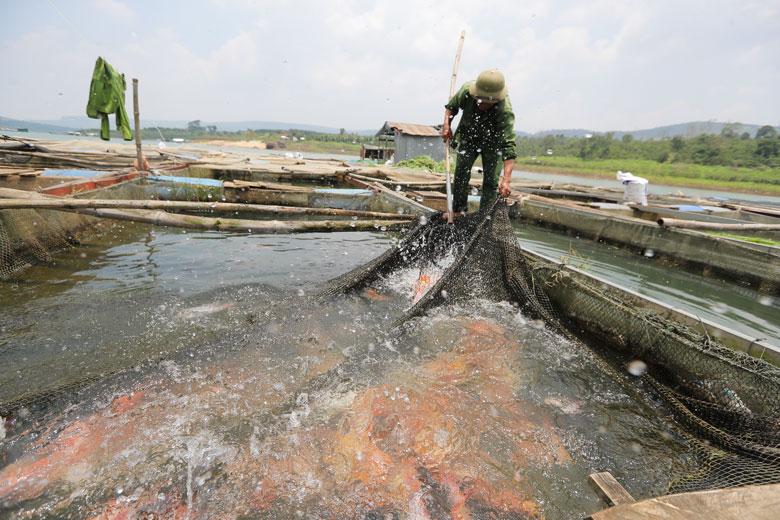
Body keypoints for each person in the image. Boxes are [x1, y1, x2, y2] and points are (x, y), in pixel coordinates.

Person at [441, 69, 516, 216]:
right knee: (461, 172)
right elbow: (451, 108)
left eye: (486, 102)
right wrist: (446, 125)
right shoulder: (466, 91)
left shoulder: (504, 110)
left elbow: (509, 146)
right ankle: (458, 211)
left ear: (496, 100)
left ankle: (485, 217)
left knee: (491, 182)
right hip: (468, 137)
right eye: (479, 99)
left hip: (493, 144)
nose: (481, 104)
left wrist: (506, 180)